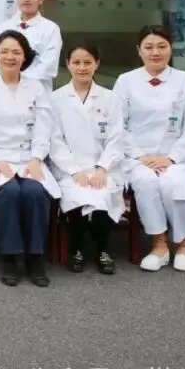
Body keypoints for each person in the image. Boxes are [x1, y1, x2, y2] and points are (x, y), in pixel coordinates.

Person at [0, 30, 58, 287]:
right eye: (4, 51)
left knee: (34, 192)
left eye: (16, 52)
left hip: (29, 157)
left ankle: (35, 257)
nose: (10, 57)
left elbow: (44, 126)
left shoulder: (36, 87)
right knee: (9, 192)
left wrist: (37, 158)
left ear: (25, 57)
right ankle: (10, 257)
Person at [113, 25, 185, 273]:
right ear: (139, 50)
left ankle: (184, 243)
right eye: (149, 47)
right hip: (138, 158)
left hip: (174, 157)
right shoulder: (126, 81)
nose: (155, 52)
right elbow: (118, 124)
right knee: (146, 182)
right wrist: (140, 156)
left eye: (161, 46)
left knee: (173, 183)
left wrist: (172, 157)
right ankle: (159, 244)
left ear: (170, 49)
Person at [48, 43, 124, 275]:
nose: (82, 67)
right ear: (67, 65)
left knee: (103, 193)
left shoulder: (110, 98)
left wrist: (102, 168)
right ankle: (76, 250)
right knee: (75, 194)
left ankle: (103, 250)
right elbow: (55, 140)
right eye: (76, 62)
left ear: (97, 64)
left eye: (88, 62)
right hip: (69, 169)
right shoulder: (56, 99)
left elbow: (116, 138)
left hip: (104, 167)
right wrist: (74, 170)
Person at [0, 0, 62, 91]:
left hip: (37, 91)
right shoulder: (4, 27)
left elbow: (48, 66)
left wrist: (19, 81)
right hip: (4, 89)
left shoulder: (51, 29)